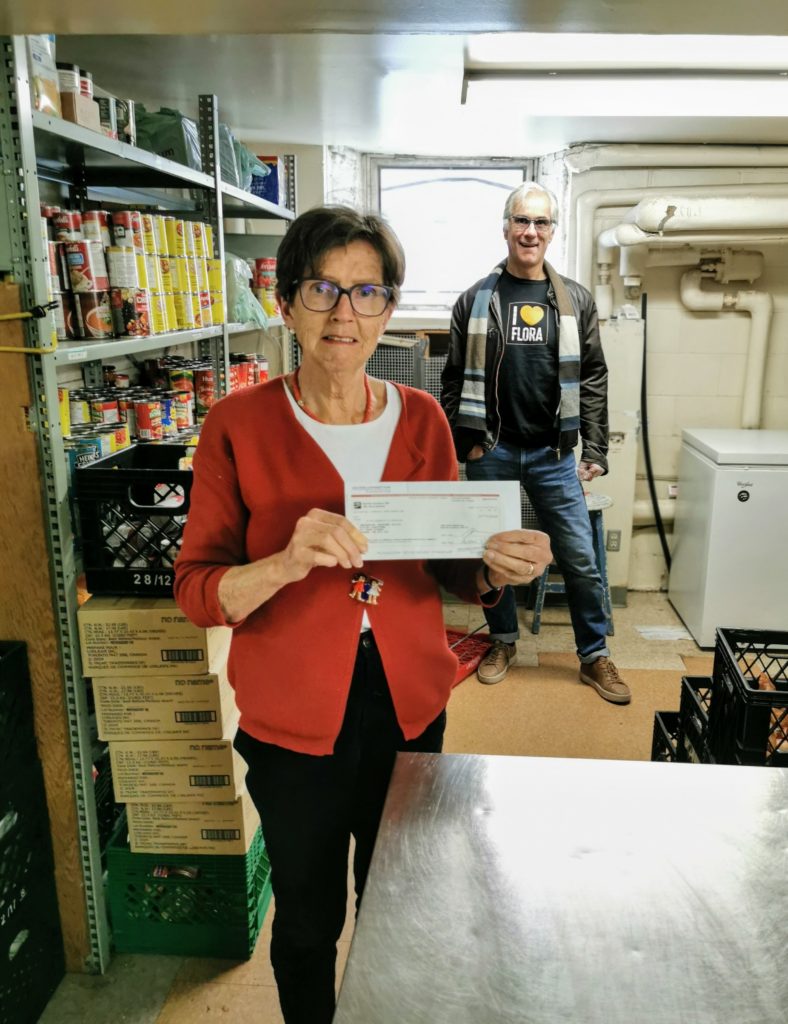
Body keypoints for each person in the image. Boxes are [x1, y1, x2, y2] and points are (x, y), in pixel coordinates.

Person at [174, 205, 551, 1024]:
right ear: (286, 302)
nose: (344, 312)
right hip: (292, 718)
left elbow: (448, 563)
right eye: (322, 289)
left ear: (388, 309)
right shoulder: (238, 425)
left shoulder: (421, 419)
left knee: (401, 902)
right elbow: (198, 589)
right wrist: (284, 561)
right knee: (309, 919)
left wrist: (491, 567)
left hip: (409, 705)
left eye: (367, 292)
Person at [441, 181, 631, 704]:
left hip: (554, 454)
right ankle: (502, 641)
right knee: (493, 554)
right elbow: (453, 378)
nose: (530, 231)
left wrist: (594, 448)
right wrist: (465, 443)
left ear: (552, 231)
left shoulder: (574, 300)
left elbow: (593, 376)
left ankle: (594, 655)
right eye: (522, 221)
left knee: (580, 558)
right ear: (506, 228)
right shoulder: (474, 300)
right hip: (492, 450)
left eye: (541, 222)